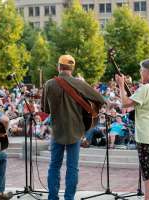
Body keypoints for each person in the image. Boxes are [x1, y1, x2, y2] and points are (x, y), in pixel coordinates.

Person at [41, 55, 105, 200]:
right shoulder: (79, 83)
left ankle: (53, 197)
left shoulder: (49, 84)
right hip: (75, 131)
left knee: (54, 166)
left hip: (57, 131)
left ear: (59, 67)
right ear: (72, 68)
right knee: (72, 168)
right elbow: (100, 99)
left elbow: (45, 109)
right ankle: (69, 198)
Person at [115, 59, 149, 200]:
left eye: (141, 70)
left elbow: (125, 104)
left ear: (147, 71)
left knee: (146, 168)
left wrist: (120, 85)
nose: (140, 73)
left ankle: (147, 198)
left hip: (146, 133)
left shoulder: (146, 88)